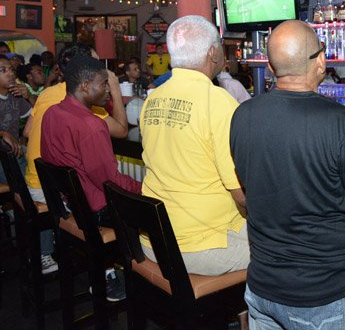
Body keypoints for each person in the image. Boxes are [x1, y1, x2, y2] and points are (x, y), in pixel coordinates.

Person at [230, 20, 345, 329]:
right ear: (321, 60)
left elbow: (256, 186)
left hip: (262, 289)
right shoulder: (340, 122)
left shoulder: (242, 116)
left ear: (270, 65)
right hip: (321, 298)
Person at [139, 16, 249, 277]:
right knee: (292, 250)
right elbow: (241, 194)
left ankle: (242, 318)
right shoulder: (218, 101)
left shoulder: (152, 100)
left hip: (153, 238)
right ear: (213, 53)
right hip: (198, 245)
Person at [40, 55, 142, 300]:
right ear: (85, 86)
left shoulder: (52, 113)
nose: (108, 89)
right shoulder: (91, 125)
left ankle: (110, 273)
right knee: (159, 213)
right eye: (104, 83)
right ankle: (144, 280)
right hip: (95, 210)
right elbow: (111, 183)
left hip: (71, 204)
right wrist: (146, 187)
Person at [23, 43, 128, 275]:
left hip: (48, 187)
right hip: (76, 202)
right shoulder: (89, 115)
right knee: (149, 214)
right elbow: (121, 132)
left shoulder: (50, 101)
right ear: (85, 78)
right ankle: (113, 273)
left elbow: (28, 132)